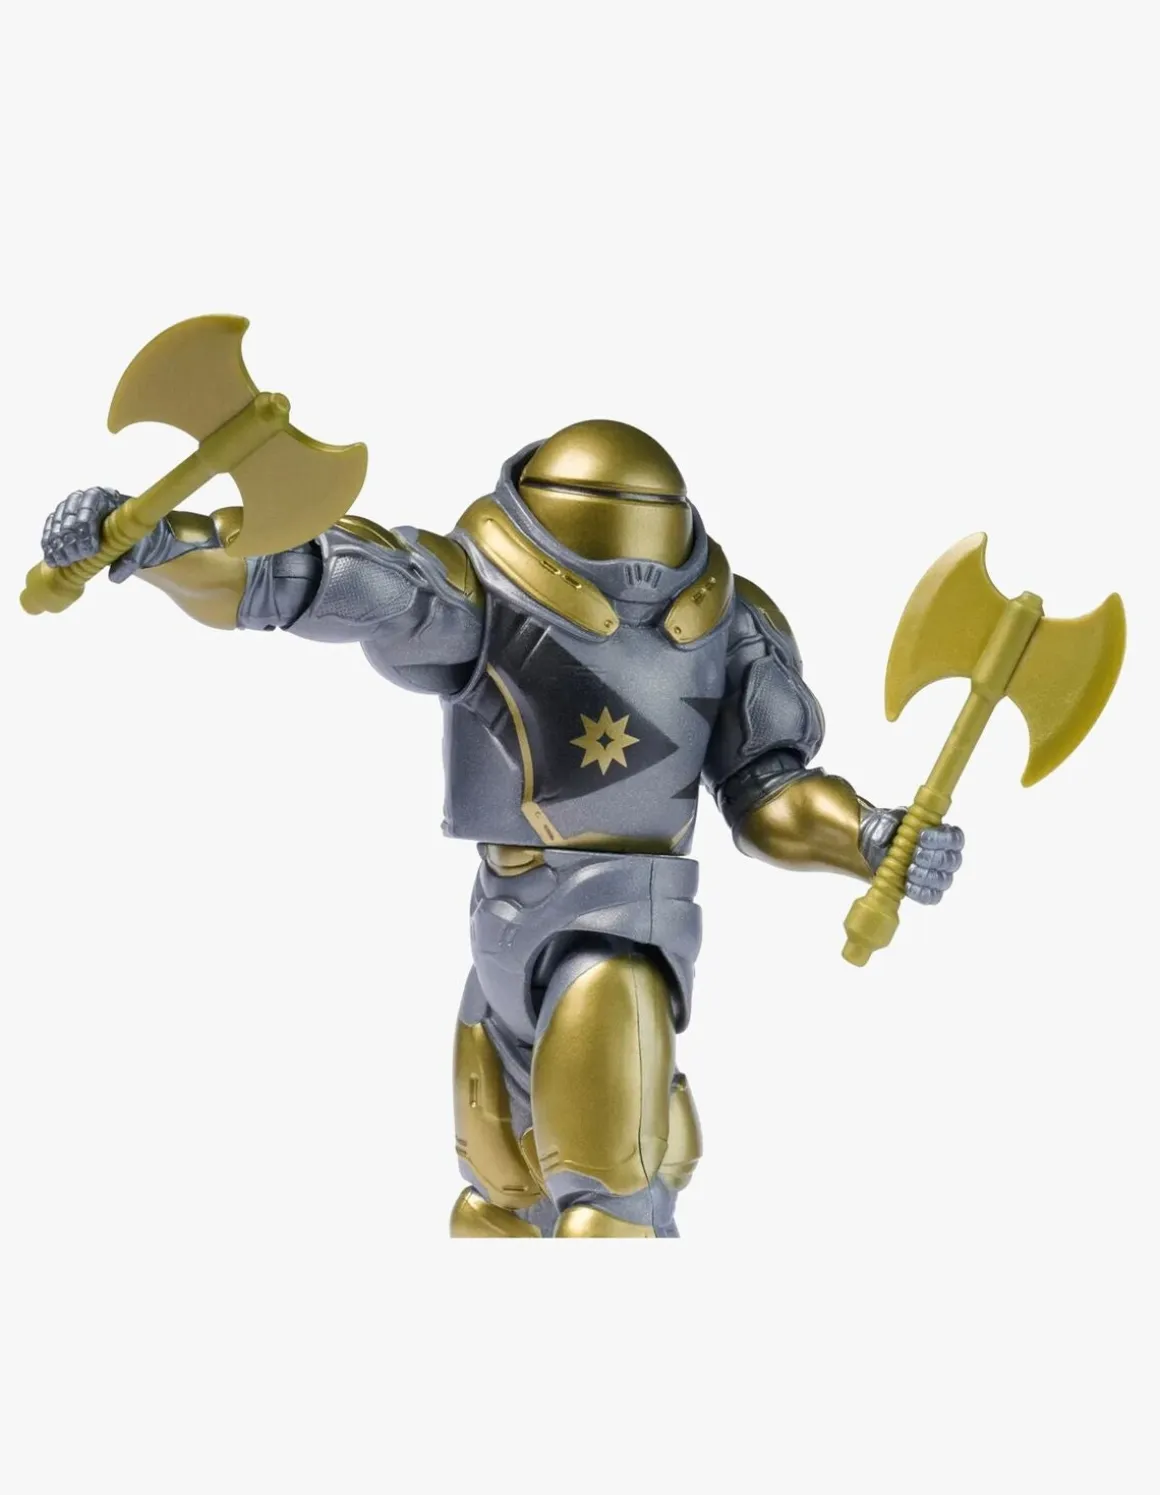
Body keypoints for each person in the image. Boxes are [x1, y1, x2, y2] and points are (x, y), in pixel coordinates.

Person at [42, 420, 963, 1237]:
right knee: (498, 1198)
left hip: (617, 938)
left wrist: (874, 835)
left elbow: (769, 789)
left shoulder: (730, 623)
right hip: (502, 924)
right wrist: (160, 542)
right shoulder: (484, 587)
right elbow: (310, 573)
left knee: (608, 1205)